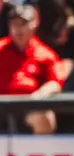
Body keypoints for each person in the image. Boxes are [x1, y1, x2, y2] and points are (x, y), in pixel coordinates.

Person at [0, 4, 64, 134]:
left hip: (28, 109)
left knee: (44, 116)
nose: (18, 29)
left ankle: (40, 153)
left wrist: (36, 98)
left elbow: (55, 83)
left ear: (34, 24)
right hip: (1, 106)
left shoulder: (45, 54)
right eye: (14, 24)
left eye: (23, 24)